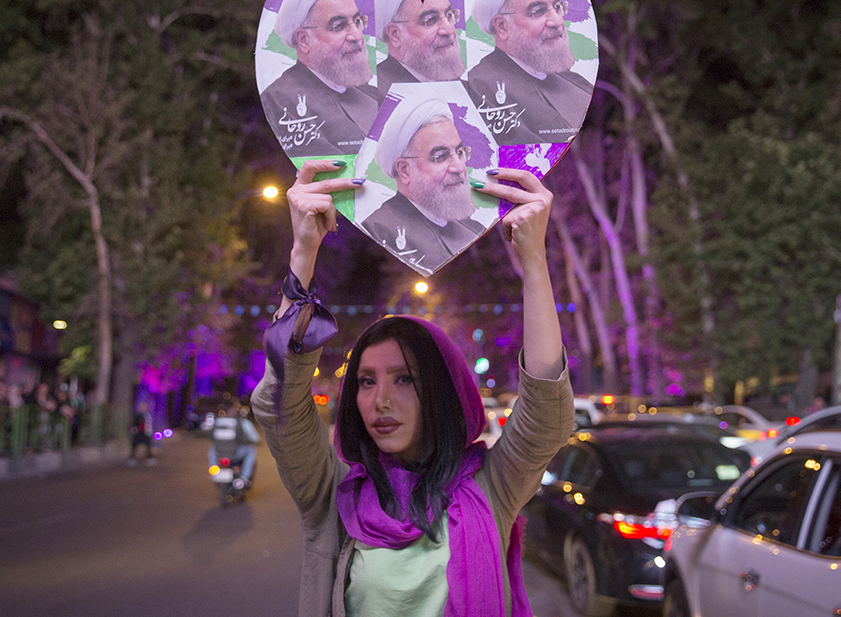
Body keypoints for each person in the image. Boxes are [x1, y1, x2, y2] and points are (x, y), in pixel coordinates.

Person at [251, 159, 573, 617]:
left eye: (404, 378)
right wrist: (303, 252)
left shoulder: (491, 487)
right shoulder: (332, 495)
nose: (380, 399)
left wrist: (534, 260)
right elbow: (280, 404)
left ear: (440, 392)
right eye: (366, 381)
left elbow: (544, 411)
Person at [466, 0, 593, 145]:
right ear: (502, 26)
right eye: (538, 11)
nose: (557, 21)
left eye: (557, 7)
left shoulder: (576, 82)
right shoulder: (479, 87)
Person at [262, 0, 382, 158]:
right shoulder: (280, 98)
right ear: (304, 40)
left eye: (358, 21)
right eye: (338, 25)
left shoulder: (369, 93)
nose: (357, 36)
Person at [361, 96, 486, 274]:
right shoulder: (376, 231)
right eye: (440, 156)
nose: (459, 167)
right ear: (404, 170)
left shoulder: (473, 229)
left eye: (459, 152)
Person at [375, 0, 465, 98]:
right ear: (395, 34)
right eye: (430, 19)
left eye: (449, 15)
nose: (449, 29)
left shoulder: (464, 88)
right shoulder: (377, 94)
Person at [208, 401, 261, 489]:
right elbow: (255, 438)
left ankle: (214, 470)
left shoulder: (218, 421)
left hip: (220, 454)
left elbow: (210, 435)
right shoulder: (243, 422)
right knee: (250, 450)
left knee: (212, 448)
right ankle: (244, 477)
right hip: (237, 454)